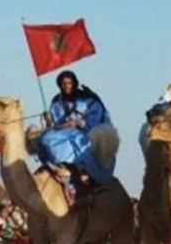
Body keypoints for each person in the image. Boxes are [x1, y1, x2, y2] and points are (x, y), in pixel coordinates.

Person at [37, 70, 114, 205]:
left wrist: (79, 123)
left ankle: (81, 172)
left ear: (74, 83)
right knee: (44, 139)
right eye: (63, 83)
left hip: (86, 133)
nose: (67, 86)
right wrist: (49, 120)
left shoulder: (88, 100)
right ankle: (61, 169)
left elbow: (97, 120)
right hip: (62, 133)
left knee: (73, 140)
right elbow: (55, 124)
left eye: (69, 83)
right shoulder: (57, 102)